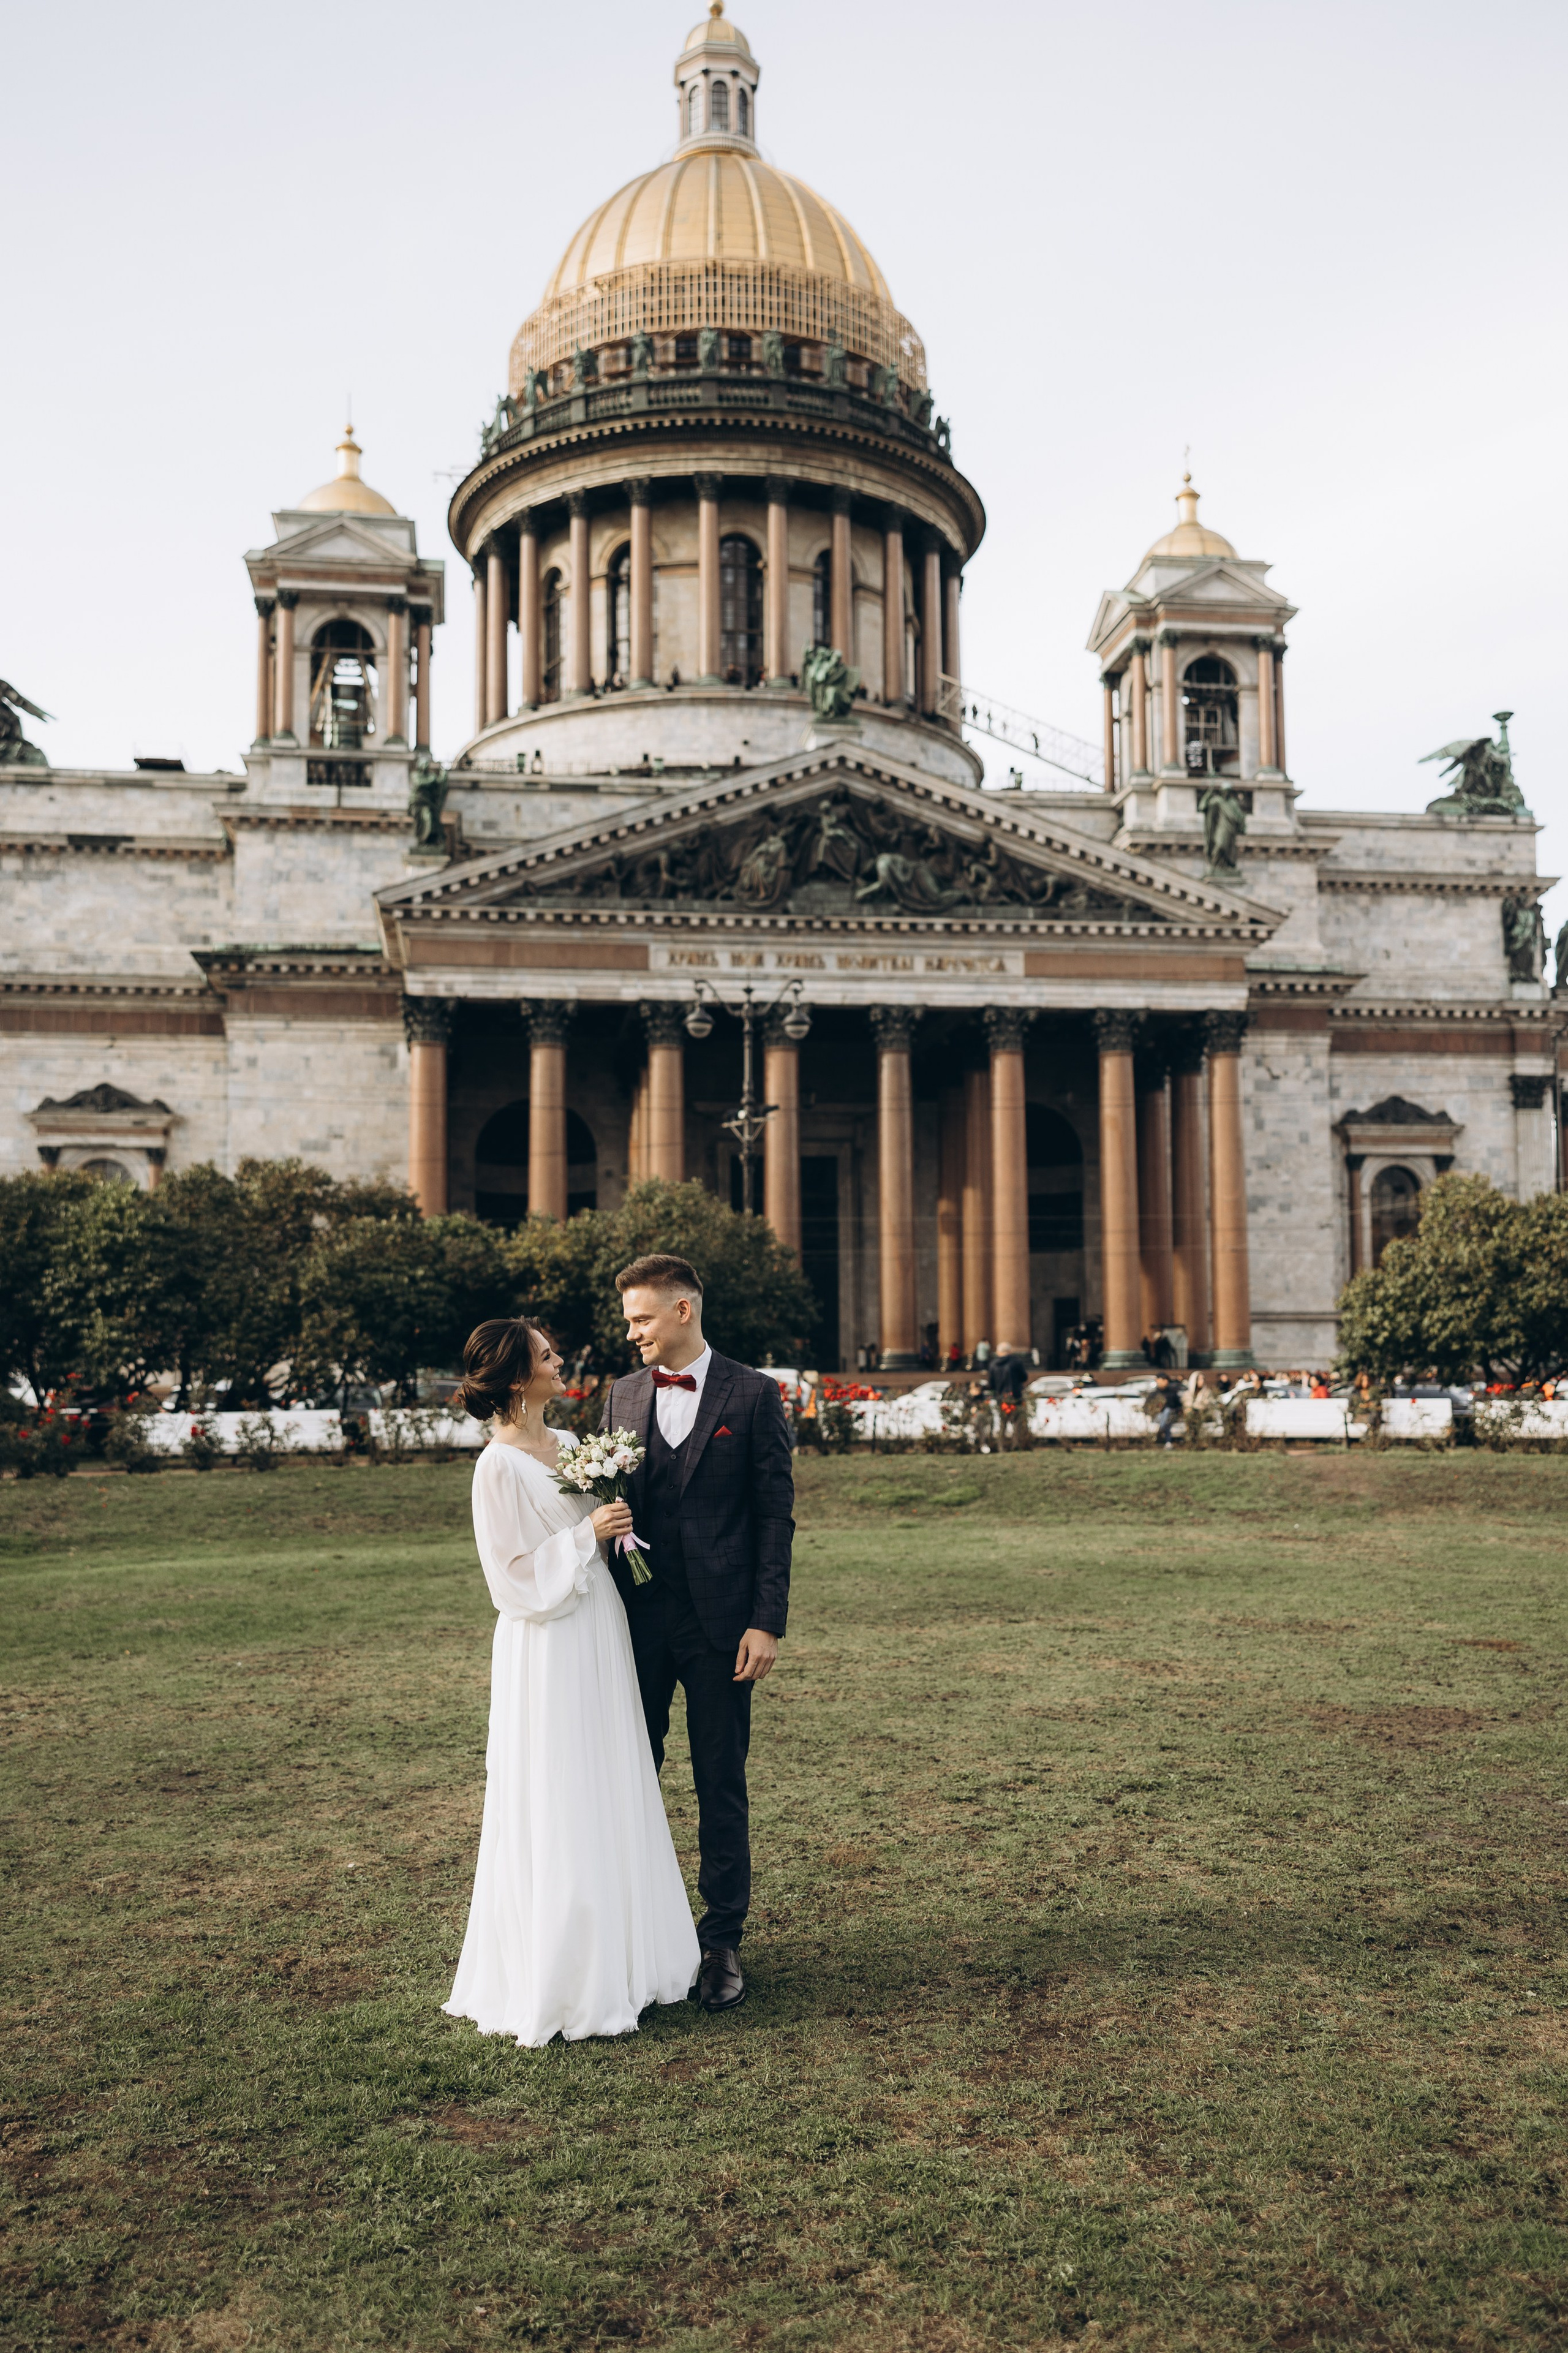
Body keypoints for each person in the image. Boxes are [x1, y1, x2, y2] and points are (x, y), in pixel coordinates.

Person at [443, 1319, 699, 2047]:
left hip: (599, 1628)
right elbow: (511, 1581)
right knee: (560, 1786)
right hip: (548, 1643)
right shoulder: (496, 1466)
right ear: (519, 1378)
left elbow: (595, 1532)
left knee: (611, 1776)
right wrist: (586, 1536)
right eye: (548, 1357)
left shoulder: (570, 1448)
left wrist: (614, 1526)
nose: (562, 1363)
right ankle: (566, 1971)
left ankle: (633, 1953)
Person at [601, 1253, 794, 2016]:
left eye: (642, 1318)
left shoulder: (753, 1394)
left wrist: (765, 1620)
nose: (632, 1332)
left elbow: (775, 1516)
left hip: (723, 1629)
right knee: (630, 1779)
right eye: (627, 1320)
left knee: (720, 1782)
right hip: (635, 1622)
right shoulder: (619, 1395)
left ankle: (721, 1941)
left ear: (683, 1310)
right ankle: (641, 1934)